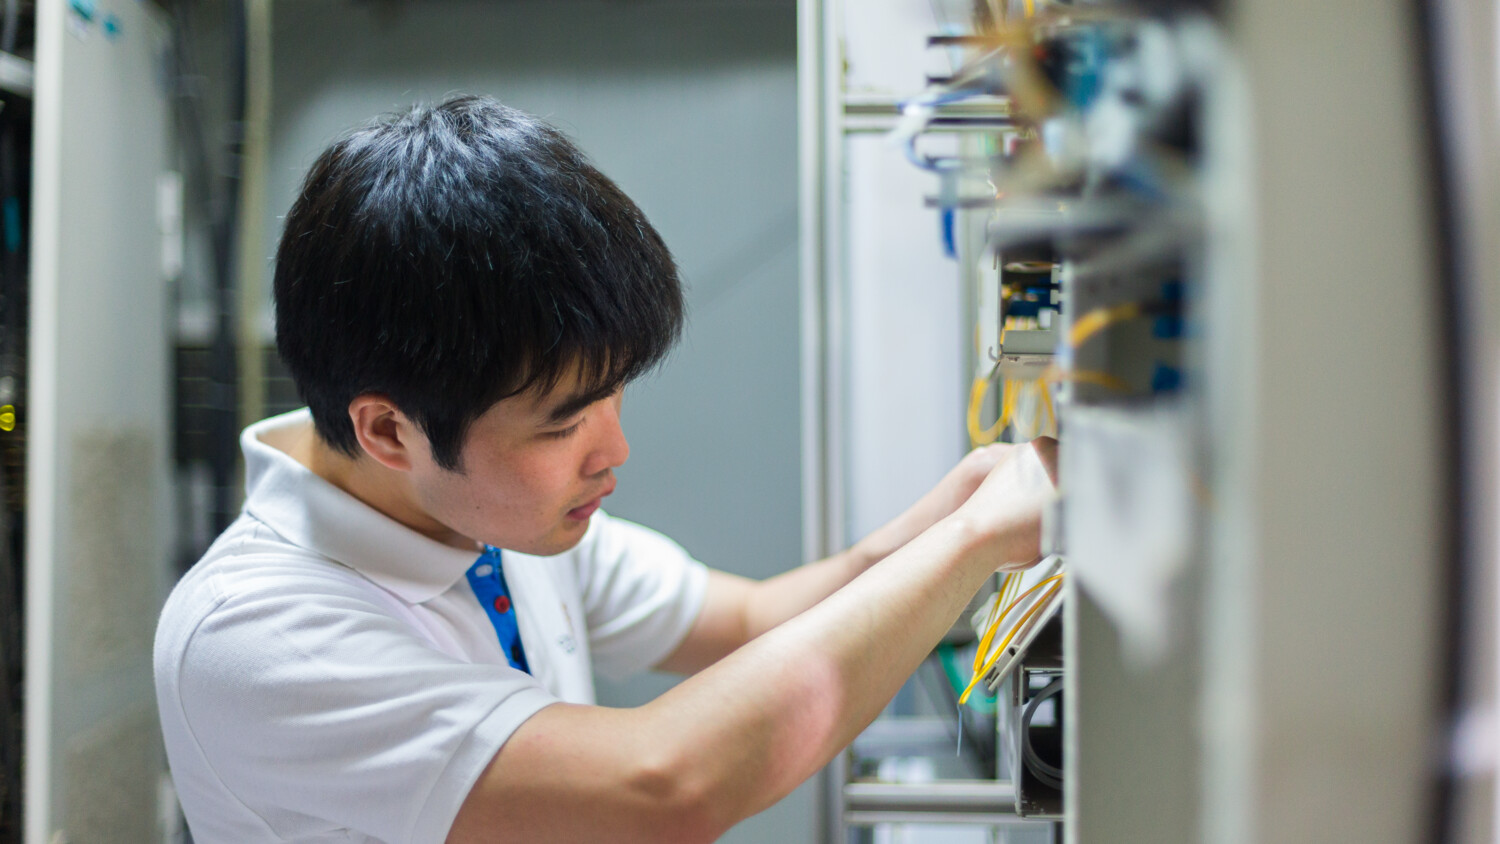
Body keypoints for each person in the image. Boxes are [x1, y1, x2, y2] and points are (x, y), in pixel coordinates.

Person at [153, 95, 1057, 844]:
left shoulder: (478, 516)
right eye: (563, 423)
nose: (614, 449)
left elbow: (751, 619)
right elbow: (664, 788)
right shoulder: (254, 634)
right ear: (390, 431)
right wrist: (977, 544)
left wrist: (953, 517)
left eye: (614, 394)